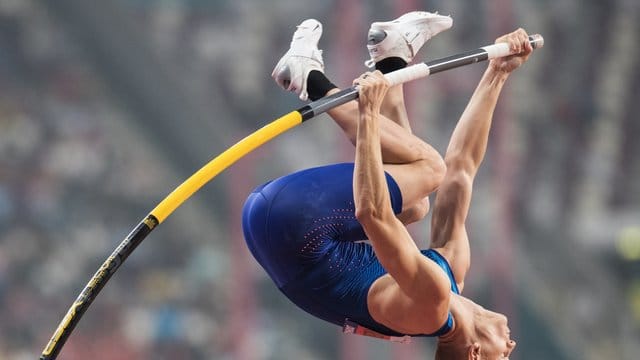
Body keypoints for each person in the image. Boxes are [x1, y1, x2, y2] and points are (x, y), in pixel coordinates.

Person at [243, 11, 532, 359]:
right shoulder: (450, 271)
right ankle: (391, 57)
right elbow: (462, 170)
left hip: (292, 226)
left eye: (503, 356)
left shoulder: (429, 306)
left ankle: (309, 78)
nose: (511, 347)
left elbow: (372, 213)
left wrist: (369, 114)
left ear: (473, 354)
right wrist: (497, 73)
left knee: (428, 168)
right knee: (415, 203)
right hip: (281, 231)